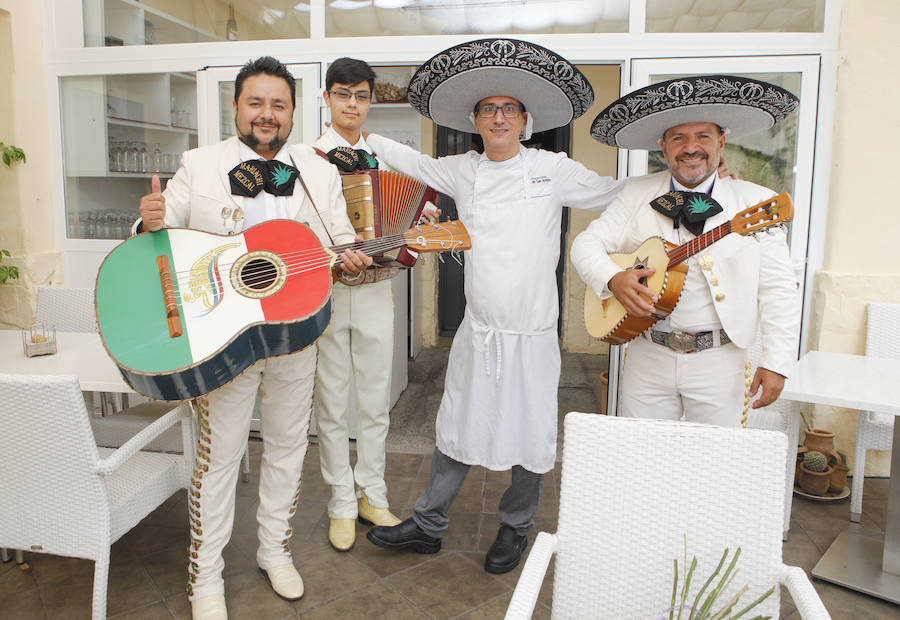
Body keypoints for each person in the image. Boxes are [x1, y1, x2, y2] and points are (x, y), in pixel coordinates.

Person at [360, 38, 624, 574]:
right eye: (488, 109)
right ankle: (429, 525)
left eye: (509, 109)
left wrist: (670, 182)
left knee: (531, 433)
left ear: (525, 120)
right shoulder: (463, 169)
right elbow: (409, 159)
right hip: (478, 333)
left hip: (531, 335)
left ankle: (517, 525)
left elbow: (617, 191)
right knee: (456, 423)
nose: (498, 118)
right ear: (476, 120)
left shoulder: (554, 169)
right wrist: (357, 135)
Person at [136, 56, 371, 620]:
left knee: (290, 449)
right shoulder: (201, 163)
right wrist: (147, 221)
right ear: (237, 106)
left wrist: (353, 259)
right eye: (256, 103)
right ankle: (207, 576)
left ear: (293, 113)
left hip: (295, 337)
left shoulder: (317, 172)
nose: (268, 115)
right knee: (219, 458)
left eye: (279, 105)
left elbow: (339, 240)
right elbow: (159, 242)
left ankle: (274, 550)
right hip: (224, 339)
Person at [571, 74, 801, 427]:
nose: (690, 147)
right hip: (649, 353)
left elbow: (778, 289)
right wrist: (613, 279)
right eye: (679, 138)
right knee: (641, 456)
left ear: (721, 143)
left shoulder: (757, 203)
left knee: (714, 464)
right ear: (664, 147)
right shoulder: (636, 194)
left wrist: (776, 363)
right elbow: (585, 244)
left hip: (720, 359)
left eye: (703, 137)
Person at [313, 57, 412, 552]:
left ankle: (372, 493)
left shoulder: (386, 157)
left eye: (361, 96)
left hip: (377, 289)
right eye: (343, 94)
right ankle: (339, 503)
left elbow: (407, 208)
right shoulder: (303, 159)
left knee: (374, 402)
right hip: (327, 294)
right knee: (331, 404)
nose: (352, 104)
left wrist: (420, 217)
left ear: (371, 101)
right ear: (327, 98)